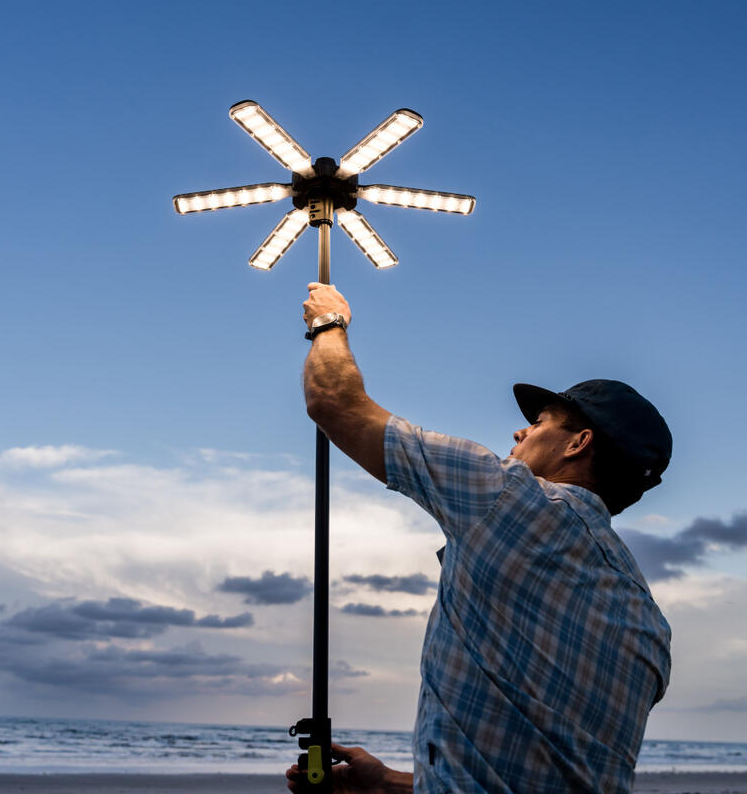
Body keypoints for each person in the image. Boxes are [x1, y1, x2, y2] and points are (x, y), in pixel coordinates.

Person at [287, 283, 672, 794]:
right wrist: (385, 783)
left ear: (579, 443)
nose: (520, 434)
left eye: (538, 423)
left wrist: (329, 323)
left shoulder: (512, 502)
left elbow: (334, 402)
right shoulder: (649, 624)